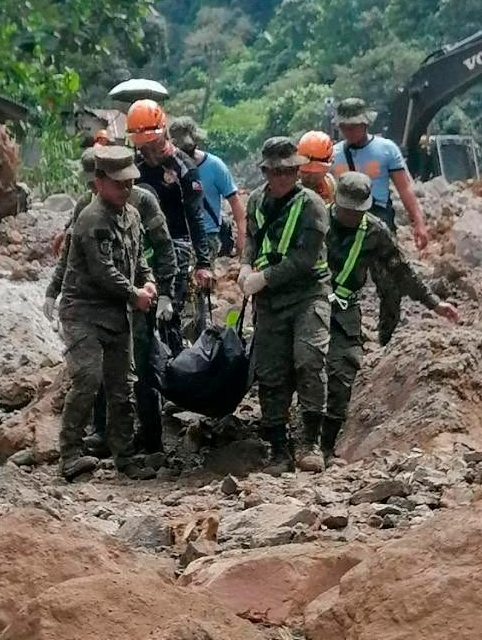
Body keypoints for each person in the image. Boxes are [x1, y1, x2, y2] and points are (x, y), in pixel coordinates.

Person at [44, 148, 177, 457]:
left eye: (128, 182)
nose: (125, 188)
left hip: (125, 310)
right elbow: (100, 269)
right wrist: (53, 290)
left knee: (129, 381)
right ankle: (77, 451)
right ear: (99, 181)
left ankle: (132, 448)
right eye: (118, 183)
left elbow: (151, 251)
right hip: (89, 310)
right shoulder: (90, 214)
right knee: (90, 378)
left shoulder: (137, 208)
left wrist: (158, 286)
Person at [323, 172, 459, 461]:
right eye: (345, 209)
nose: (350, 215)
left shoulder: (374, 231)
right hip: (306, 303)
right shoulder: (315, 220)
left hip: (344, 309)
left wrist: (434, 304)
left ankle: (325, 445)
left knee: (343, 370)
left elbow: (402, 271)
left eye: (356, 210)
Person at [239, 137, 332, 475]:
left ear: (297, 171)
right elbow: (251, 240)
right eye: (274, 172)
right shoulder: (255, 201)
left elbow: (305, 259)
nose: (280, 179)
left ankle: (310, 442)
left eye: (287, 172)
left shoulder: (312, 206)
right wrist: (246, 266)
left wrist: (265, 277)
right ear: (265, 171)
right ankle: (279, 448)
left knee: (309, 360)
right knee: (271, 373)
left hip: (307, 294)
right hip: (271, 303)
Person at [126, 100, 212, 344]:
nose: (147, 151)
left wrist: (203, 262)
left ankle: (174, 361)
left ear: (163, 133)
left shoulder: (183, 167)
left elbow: (195, 216)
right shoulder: (135, 165)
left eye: (151, 144)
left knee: (171, 312)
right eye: (141, 147)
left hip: (177, 244)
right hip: (142, 245)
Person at [332, 98, 429, 249]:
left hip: (378, 217)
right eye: (344, 127)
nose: (348, 131)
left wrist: (419, 223)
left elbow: (404, 188)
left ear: (365, 124)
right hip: (344, 220)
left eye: (353, 126)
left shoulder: (387, 149)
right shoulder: (333, 154)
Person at [169, 115, 246, 262]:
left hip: (207, 236)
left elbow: (235, 202)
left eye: (189, 149)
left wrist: (242, 236)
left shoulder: (215, 166)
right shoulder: (167, 167)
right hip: (176, 236)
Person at [298, 131, 336, 204]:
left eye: (316, 174)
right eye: (306, 172)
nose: (311, 178)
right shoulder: (286, 186)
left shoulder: (330, 184)